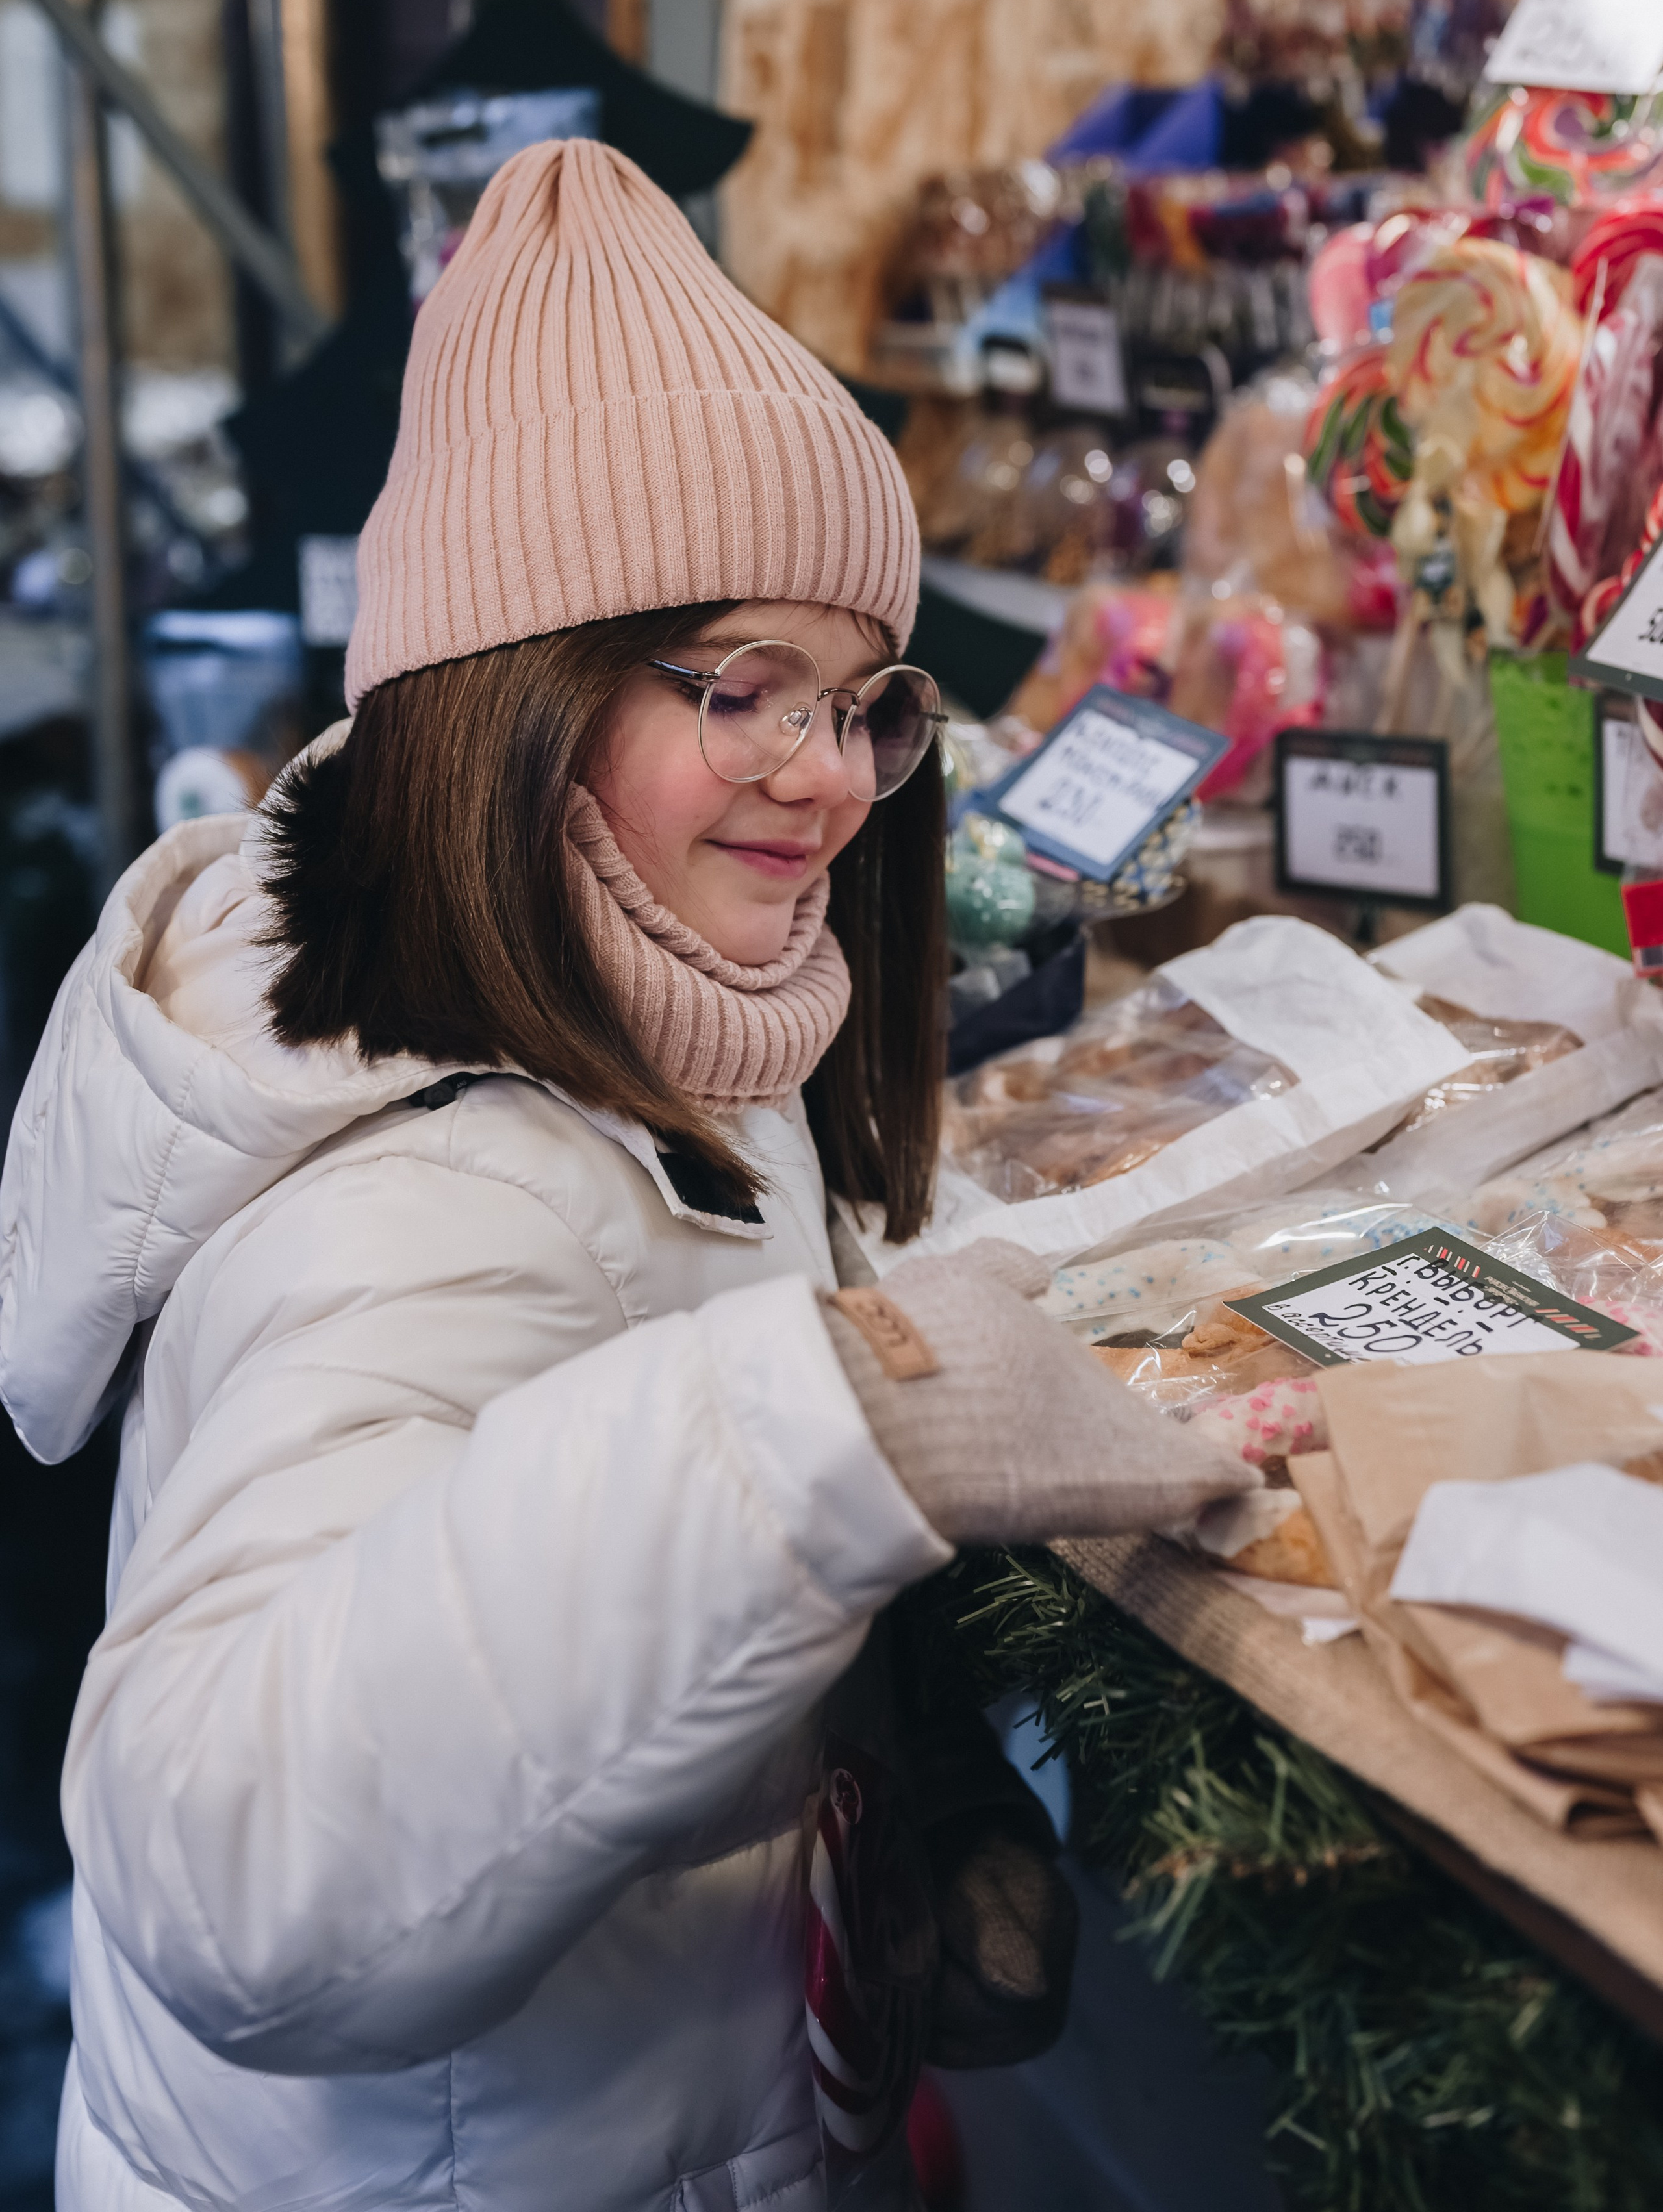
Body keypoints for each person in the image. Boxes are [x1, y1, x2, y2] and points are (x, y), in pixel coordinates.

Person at [0, 140, 1249, 2211]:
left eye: (859, 703)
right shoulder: (420, 1194)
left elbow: (600, 1634)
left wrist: (912, 1799)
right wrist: (836, 1427)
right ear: (517, 693)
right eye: (741, 688)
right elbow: (226, 1863)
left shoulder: (663, 1007)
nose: (827, 775)